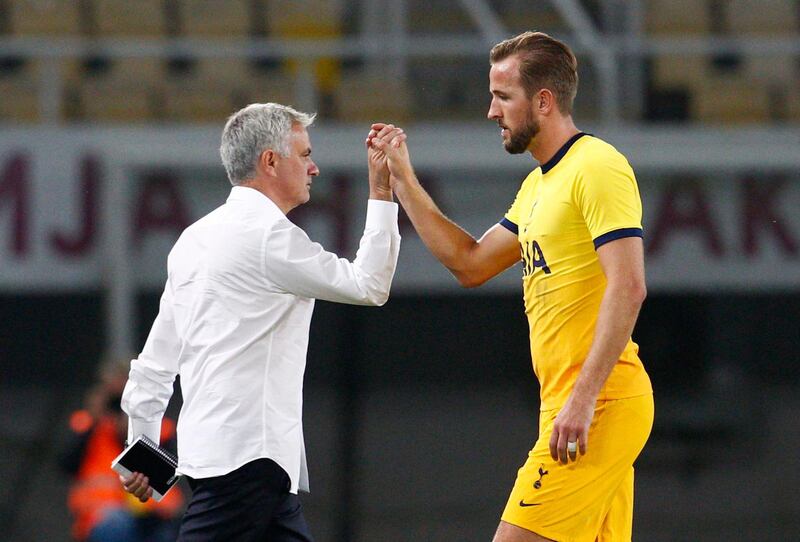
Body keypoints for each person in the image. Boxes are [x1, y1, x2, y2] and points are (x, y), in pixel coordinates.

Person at [369, 31, 653, 542]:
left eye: (503, 97)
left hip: (601, 403)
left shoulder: (598, 166)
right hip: (570, 407)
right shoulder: (539, 185)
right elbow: (470, 263)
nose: (491, 111)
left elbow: (629, 286)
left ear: (543, 101)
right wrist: (404, 182)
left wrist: (584, 399)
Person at [119, 102, 402, 540]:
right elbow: (368, 285)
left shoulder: (193, 240)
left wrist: (142, 451)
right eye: (305, 154)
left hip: (226, 462)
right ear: (270, 161)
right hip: (249, 462)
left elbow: (155, 365)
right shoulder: (270, 237)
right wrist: (381, 192)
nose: (314, 168)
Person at [61, 358, 183, 542]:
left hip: (153, 516)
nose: (120, 408)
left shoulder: (160, 429)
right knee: (118, 526)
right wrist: (96, 416)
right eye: (117, 401)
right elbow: (66, 464)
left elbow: (173, 470)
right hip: (103, 516)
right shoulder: (90, 426)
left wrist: (138, 421)